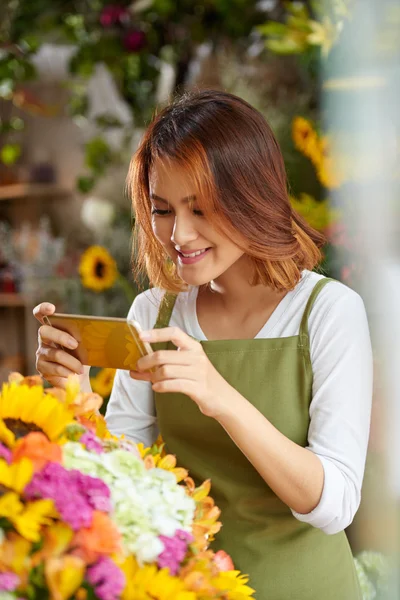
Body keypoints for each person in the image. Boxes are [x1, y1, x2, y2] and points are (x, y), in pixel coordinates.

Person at [34, 89, 373, 599]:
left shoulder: (328, 312)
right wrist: (78, 395)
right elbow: (123, 485)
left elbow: (333, 505)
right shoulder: (153, 312)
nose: (179, 235)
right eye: (163, 210)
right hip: (186, 588)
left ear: (251, 196)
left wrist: (221, 396)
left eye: (201, 209)